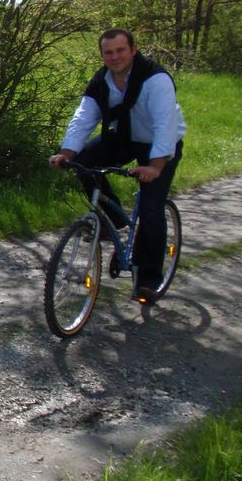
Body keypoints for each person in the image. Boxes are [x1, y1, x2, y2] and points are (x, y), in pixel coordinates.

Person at [49, 28, 186, 303]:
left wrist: (156, 167)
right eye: (108, 52)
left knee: (150, 207)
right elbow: (83, 118)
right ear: (102, 55)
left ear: (134, 50)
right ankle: (113, 220)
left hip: (159, 146)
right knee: (84, 162)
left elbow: (165, 126)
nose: (114, 57)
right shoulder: (102, 81)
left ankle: (148, 279)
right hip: (123, 138)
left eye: (120, 50)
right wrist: (66, 152)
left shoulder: (155, 79)